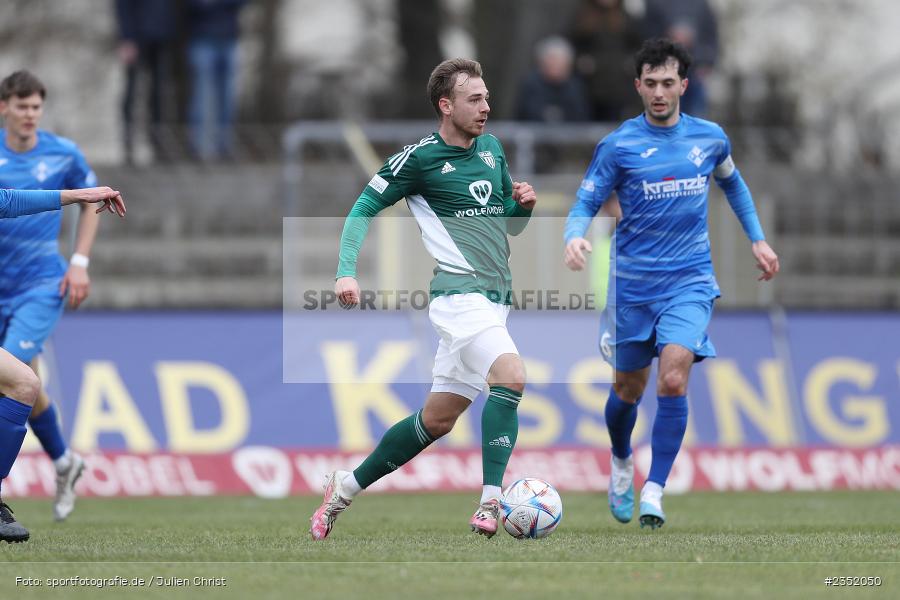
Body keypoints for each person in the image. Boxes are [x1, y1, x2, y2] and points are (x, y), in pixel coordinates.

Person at [309, 58, 537, 541]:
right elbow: (364, 205)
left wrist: (523, 206)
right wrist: (345, 272)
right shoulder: (419, 158)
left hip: (496, 300)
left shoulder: (493, 149)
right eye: (475, 99)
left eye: (487, 98)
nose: (486, 108)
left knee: (436, 420)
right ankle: (491, 503)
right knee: (512, 375)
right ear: (445, 104)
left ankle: (342, 490)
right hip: (458, 297)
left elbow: (507, 224)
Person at [563, 38, 778, 529]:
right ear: (638, 86)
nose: (659, 92)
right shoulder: (618, 146)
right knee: (626, 392)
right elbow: (585, 202)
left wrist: (758, 240)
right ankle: (621, 461)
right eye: (650, 84)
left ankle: (655, 489)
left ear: (684, 84)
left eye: (668, 83)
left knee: (675, 377)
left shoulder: (710, 138)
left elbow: (733, 184)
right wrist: (575, 236)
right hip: (632, 289)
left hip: (689, 280)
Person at [0, 70, 110, 523]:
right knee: (25, 380)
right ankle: (65, 461)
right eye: (21, 106)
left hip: (42, 283)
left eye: (36, 107)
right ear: (4, 107)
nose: (29, 115)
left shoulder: (63, 152)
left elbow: (91, 204)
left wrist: (79, 262)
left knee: (14, 377)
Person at [0, 185, 125, 543]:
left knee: (23, 383)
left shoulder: (58, 154)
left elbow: (9, 202)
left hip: (27, 290)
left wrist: (79, 195)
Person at [115, 0, 179, 165]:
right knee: (132, 91)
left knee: (158, 93)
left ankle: (156, 141)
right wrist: (127, 38)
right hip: (137, 36)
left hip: (161, 37)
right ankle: (128, 140)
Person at [187, 0, 247, 161]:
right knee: (203, 97)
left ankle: (224, 148)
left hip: (229, 37)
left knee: (227, 98)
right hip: (202, 38)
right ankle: (201, 149)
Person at [515, 36, 591, 123]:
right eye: (552, 61)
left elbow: (581, 118)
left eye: (560, 62)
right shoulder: (530, 85)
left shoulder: (576, 88)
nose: (555, 66)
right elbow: (524, 115)